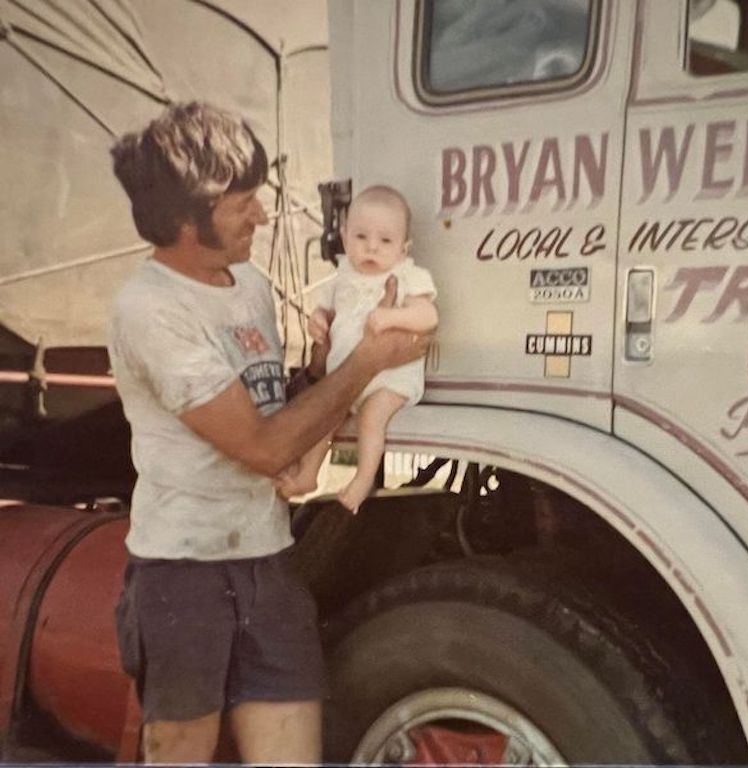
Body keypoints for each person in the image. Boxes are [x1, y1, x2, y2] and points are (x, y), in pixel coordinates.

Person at [106, 101, 428, 764]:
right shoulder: (150, 309)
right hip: (182, 575)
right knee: (181, 754)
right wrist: (367, 361)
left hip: (266, 559)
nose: (261, 214)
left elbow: (280, 406)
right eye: (242, 203)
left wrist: (325, 363)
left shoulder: (248, 283)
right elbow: (263, 447)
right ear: (184, 220)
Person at [277, 185, 438, 510]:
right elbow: (325, 310)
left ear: (403, 249)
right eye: (361, 237)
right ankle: (309, 474)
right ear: (345, 236)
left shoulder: (407, 275)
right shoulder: (342, 277)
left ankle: (363, 479)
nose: (371, 248)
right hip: (347, 377)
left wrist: (395, 316)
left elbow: (428, 315)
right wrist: (318, 321)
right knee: (325, 419)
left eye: (385, 241)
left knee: (371, 419)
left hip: (390, 380)